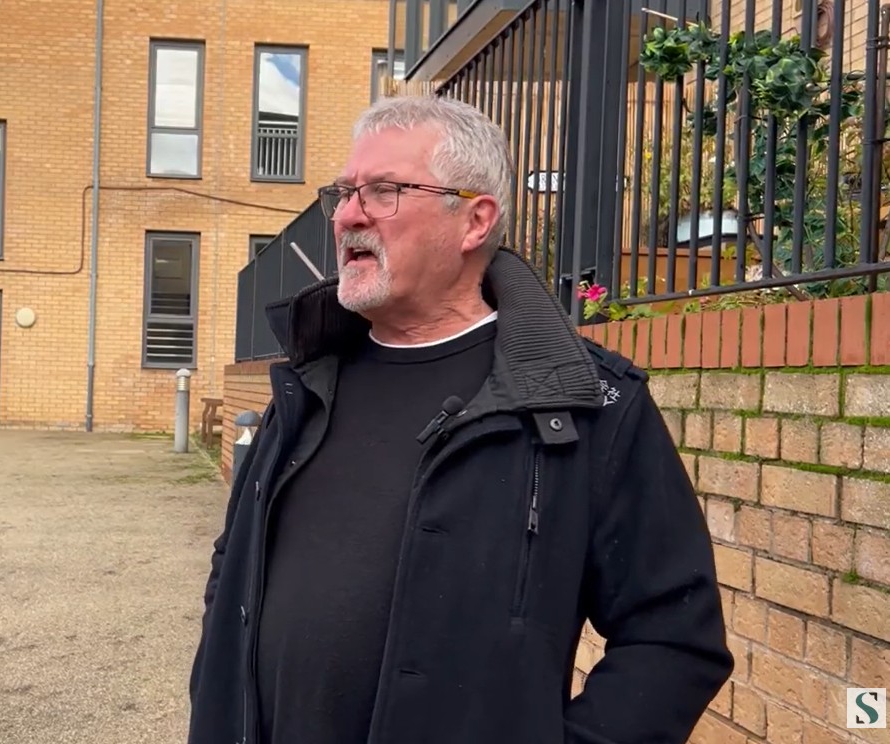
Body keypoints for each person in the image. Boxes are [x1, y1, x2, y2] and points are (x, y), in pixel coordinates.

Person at [186, 94, 733, 744]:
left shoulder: (584, 406)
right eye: (345, 192)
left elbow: (673, 636)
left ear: (474, 221)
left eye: (383, 190)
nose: (347, 216)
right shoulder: (307, 380)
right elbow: (235, 562)